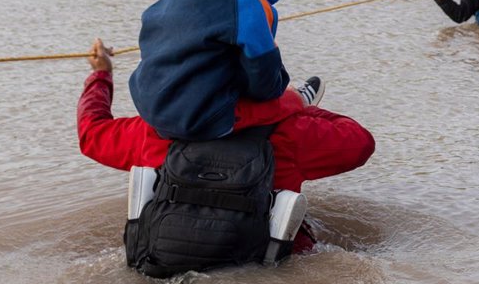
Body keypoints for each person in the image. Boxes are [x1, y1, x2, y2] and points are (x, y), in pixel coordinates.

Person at [77, 38, 375, 255]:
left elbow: (91, 132)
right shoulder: (290, 131)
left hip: (165, 263)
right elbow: (361, 141)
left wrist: (101, 74)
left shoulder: (153, 132)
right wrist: (293, 103)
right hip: (266, 267)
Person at [128, 0, 315, 142]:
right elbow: (265, 86)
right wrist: (282, 82)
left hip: (148, 107)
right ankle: (300, 99)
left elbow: (150, 25)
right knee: (273, 103)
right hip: (199, 120)